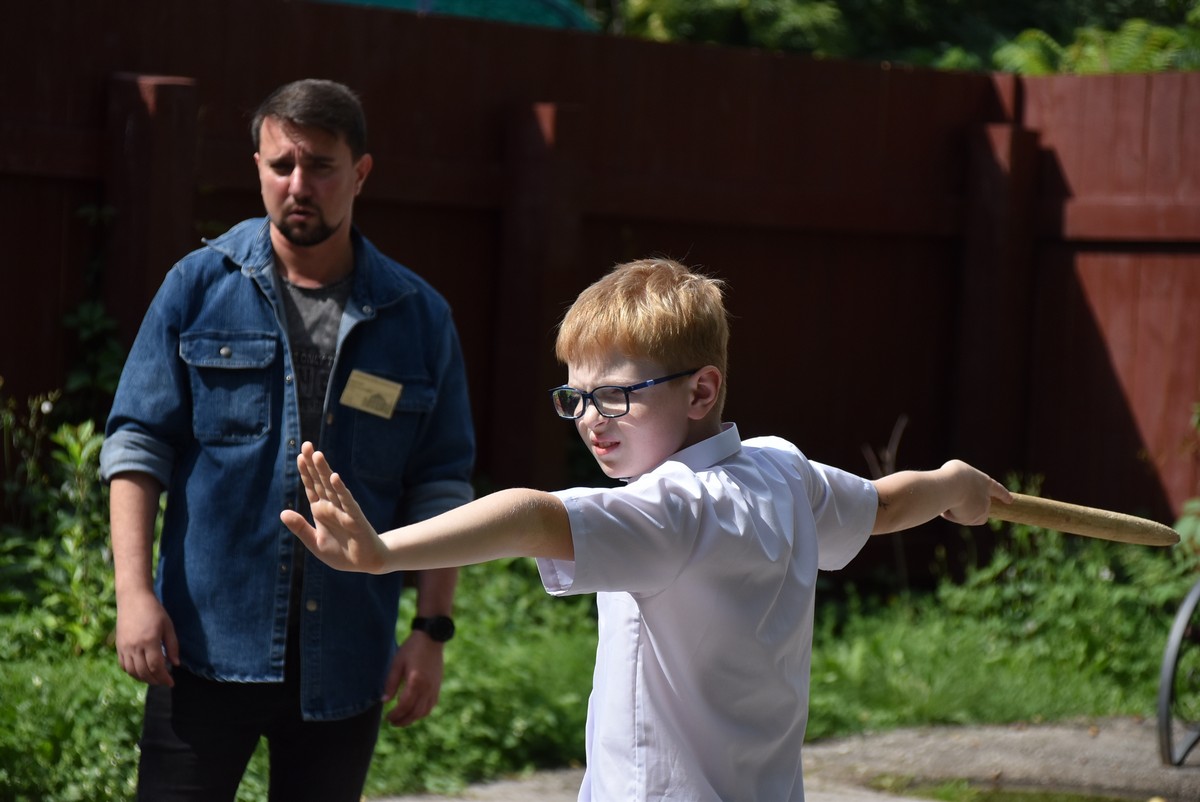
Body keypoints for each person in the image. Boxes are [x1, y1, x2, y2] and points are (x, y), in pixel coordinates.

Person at [283, 258, 1011, 801]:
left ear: (701, 390)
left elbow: (535, 516)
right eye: (576, 396)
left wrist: (383, 554)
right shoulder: (782, 472)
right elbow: (883, 506)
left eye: (616, 396)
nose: (592, 420)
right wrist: (954, 485)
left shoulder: (671, 510)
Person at [100, 79, 475, 801]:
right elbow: (136, 449)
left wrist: (432, 628)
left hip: (347, 657)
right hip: (203, 647)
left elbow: (440, 483)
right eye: (281, 165)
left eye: (322, 166)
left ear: (360, 173)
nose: (298, 185)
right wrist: (133, 594)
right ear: (258, 166)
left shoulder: (418, 318)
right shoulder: (197, 288)